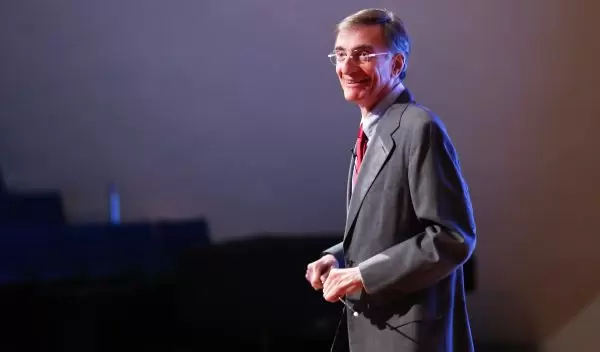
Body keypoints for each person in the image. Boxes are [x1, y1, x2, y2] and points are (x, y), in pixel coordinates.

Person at [304, 8, 477, 352]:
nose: (347, 68)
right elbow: (393, 230)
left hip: (409, 340)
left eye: (363, 54)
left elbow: (452, 237)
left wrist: (363, 275)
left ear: (396, 65)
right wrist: (338, 258)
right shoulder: (372, 130)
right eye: (341, 54)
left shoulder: (419, 127)